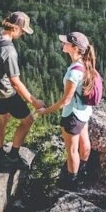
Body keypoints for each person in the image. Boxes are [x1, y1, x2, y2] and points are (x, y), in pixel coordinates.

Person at [33, 31, 96, 188]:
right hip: (84, 112)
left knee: (72, 150)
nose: (63, 44)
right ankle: (83, 172)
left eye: (66, 42)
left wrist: (45, 111)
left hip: (72, 115)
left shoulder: (74, 72)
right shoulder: (86, 65)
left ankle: (71, 183)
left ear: (74, 47)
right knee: (84, 142)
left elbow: (65, 100)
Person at [0, 11, 44, 167]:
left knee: (3, 119)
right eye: (23, 31)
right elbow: (15, 82)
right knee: (28, 120)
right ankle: (13, 154)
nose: (23, 35)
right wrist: (34, 101)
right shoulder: (9, 51)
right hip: (6, 92)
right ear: (16, 29)